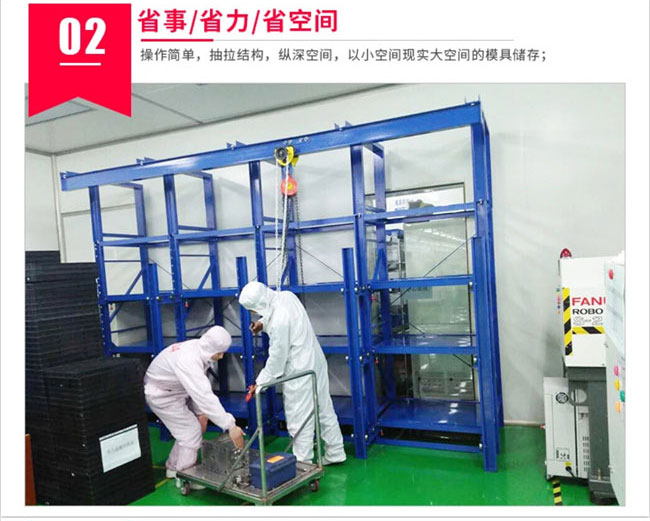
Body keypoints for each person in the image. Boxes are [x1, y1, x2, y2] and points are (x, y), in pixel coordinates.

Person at [238, 281, 346, 465]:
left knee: (299, 416)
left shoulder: (279, 321)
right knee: (323, 408)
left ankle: (304, 464)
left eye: (252, 309)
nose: (252, 312)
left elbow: (277, 360)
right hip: (315, 360)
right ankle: (335, 452)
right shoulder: (287, 296)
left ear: (259, 305)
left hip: (299, 369)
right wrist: (262, 324)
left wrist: (260, 383)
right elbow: (278, 315)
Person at [144, 325, 245, 481]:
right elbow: (203, 394)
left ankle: (173, 467)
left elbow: (198, 384)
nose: (221, 357)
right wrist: (230, 426)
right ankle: (185, 477)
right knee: (191, 433)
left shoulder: (199, 348)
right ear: (210, 349)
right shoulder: (188, 359)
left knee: (188, 431)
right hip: (162, 395)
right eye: (219, 353)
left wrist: (201, 413)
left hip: (176, 390)